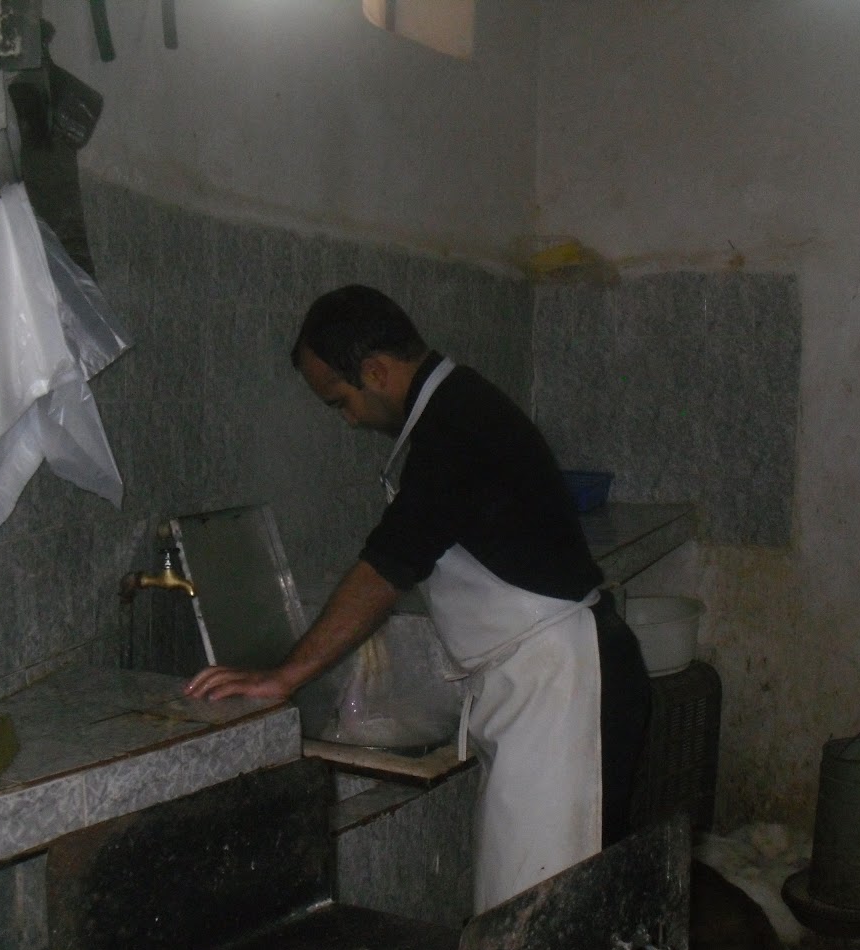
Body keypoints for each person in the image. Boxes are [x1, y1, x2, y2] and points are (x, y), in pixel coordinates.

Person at [184, 285, 650, 911]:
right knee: (533, 906)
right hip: (549, 680)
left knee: (544, 913)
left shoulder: (455, 430)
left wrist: (285, 675)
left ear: (376, 371)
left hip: (565, 685)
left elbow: (387, 566)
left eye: (340, 400)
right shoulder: (458, 409)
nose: (348, 419)